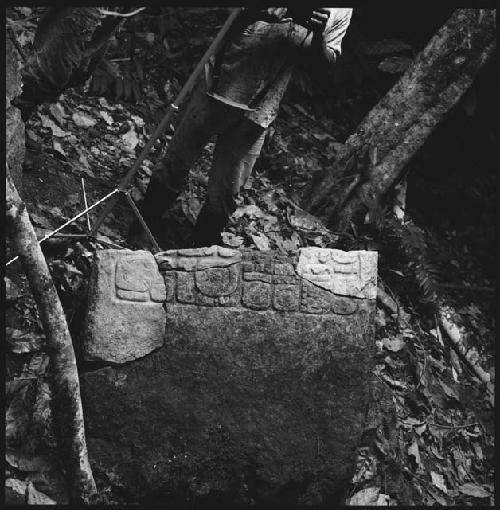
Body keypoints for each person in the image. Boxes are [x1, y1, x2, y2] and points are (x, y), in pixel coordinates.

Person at [131, 7, 353, 248]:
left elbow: (325, 64)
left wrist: (318, 35)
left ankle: (196, 253)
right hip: (220, 81)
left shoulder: (340, 8)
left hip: (262, 105)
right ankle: (141, 228)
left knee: (227, 188)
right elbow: (224, 14)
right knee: (178, 158)